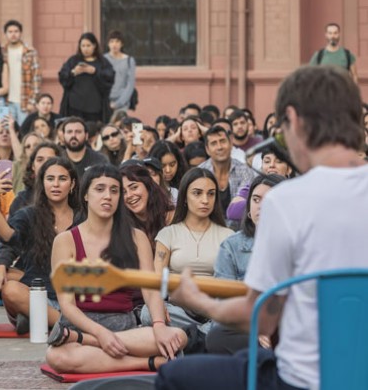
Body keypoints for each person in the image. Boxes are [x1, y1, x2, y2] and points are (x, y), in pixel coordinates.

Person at [158, 65, 368, 390]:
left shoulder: (286, 202)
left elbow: (259, 316)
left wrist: (198, 301)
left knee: (174, 376)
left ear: (294, 119)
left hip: (300, 381)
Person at [45, 164, 188, 374]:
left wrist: (158, 325)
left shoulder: (136, 237)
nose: (108, 196)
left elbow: (150, 289)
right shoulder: (66, 240)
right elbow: (67, 305)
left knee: (178, 336)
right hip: (80, 326)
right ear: (85, 195)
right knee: (57, 356)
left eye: (114, 190)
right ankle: (148, 362)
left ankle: (89, 343)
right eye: (100, 189)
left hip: (124, 326)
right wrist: (101, 335)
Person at [0, 157, 79, 333]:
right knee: (10, 289)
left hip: (74, 299)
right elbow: (9, 238)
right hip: (37, 295)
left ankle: (40, 318)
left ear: (72, 185)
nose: (55, 184)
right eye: (50, 179)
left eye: (62, 179)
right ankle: (67, 325)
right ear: (42, 183)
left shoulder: (84, 218)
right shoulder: (29, 214)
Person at [205, 174, 285, 355]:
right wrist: (256, 330)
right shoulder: (231, 246)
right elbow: (223, 307)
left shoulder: (296, 244)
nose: (261, 206)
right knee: (217, 336)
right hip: (246, 328)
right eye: (256, 200)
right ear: (249, 207)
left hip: (286, 327)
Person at [147, 167, 234, 332]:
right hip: (178, 308)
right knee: (148, 312)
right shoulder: (168, 234)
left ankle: (192, 335)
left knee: (229, 318)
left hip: (213, 309)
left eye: (211, 194)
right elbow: (156, 280)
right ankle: (202, 334)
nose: (205, 200)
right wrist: (158, 309)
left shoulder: (228, 236)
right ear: (185, 197)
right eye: (197, 193)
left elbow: (232, 285)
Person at [199, 124, 257, 220]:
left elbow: (240, 209)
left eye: (222, 141)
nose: (219, 147)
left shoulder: (245, 171)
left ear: (230, 144)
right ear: (207, 150)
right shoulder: (200, 173)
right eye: (214, 143)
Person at [58, 32, 115, 122]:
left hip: (95, 108)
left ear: (94, 46)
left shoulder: (102, 62)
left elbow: (109, 78)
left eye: (88, 45)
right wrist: (73, 72)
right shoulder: (73, 60)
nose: (85, 49)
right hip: (74, 107)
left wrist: (95, 71)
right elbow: (63, 77)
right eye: (83, 46)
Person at [121, 162, 173, 248]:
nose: (129, 195)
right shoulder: (123, 227)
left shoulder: (171, 217)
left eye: (134, 187)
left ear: (148, 186)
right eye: (123, 192)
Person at [2, 19, 42, 128]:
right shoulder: (2, 52)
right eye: (10, 32)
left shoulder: (30, 52)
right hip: (5, 101)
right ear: (5, 34)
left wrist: (33, 101)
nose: (13, 34)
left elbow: (36, 78)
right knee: (5, 131)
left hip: (24, 102)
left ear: (21, 33)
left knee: (24, 131)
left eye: (16, 31)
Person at [105, 30, 137, 113]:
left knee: (123, 125)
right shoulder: (103, 59)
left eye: (117, 41)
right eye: (111, 41)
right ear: (108, 44)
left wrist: (119, 103)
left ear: (122, 44)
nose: (114, 44)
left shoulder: (129, 60)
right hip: (105, 102)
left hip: (122, 103)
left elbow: (130, 84)